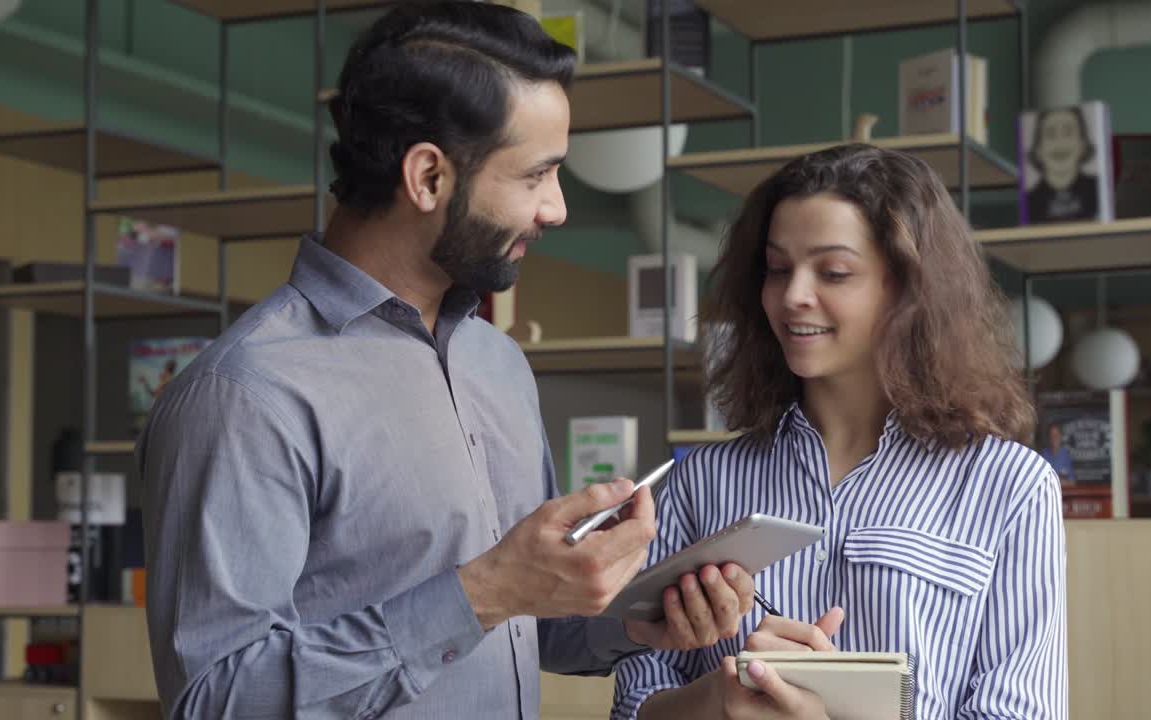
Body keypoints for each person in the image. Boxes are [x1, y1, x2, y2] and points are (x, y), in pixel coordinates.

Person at [137, 3, 757, 718]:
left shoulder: (496, 362)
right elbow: (215, 700)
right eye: (536, 175)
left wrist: (641, 616)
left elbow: (527, 624)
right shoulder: (245, 394)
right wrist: (484, 589)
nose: (555, 208)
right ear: (428, 176)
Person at [613, 144, 1068, 719]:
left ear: (907, 289)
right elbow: (632, 706)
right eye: (778, 269)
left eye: (833, 272)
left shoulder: (1012, 487)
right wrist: (718, 701)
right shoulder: (699, 483)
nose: (793, 295)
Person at [1026, 106, 1100, 223]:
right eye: (1050, 134)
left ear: (1082, 144)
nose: (1060, 143)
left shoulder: (1099, 192)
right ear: (1038, 149)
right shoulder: (1028, 202)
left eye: (1068, 133)